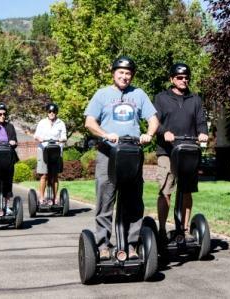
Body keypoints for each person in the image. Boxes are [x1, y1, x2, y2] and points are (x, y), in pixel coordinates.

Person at [84, 56, 159, 260]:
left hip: (133, 153)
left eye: (128, 73)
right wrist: (105, 134)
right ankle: (103, 245)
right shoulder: (102, 94)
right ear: (113, 73)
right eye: (121, 72)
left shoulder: (139, 94)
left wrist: (149, 134)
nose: (124, 76)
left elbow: (153, 119)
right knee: (105, 199)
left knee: (133, 201)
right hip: (108, 154)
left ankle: (131, 244)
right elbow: (90, 122)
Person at [154, 63, 208, 243]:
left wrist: (203, 133)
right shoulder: (161, 98)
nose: (183, 80)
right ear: (172, 79)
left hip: (188, 152)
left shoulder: (195, 99)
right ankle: (161, 230)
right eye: (179, 77)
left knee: (186, 191)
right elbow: (155, 123)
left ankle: (183, 230)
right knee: (166, 191)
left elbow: (201, 122)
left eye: (186, 77)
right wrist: (164, 132)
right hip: (167, 152)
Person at [34, 103, 67, 205]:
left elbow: (64, 136)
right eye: (49, 111)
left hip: (56, 151)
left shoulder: (61, 123)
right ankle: (42, 198)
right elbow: (36, 135)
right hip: (44, 150)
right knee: (44, 175)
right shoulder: (42, 122)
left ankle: (55, 198)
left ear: (56, 112)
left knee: (55, 175)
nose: (51, 113)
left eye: (53, 111)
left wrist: (62, 139)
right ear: (47, 112)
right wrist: (40, 138)